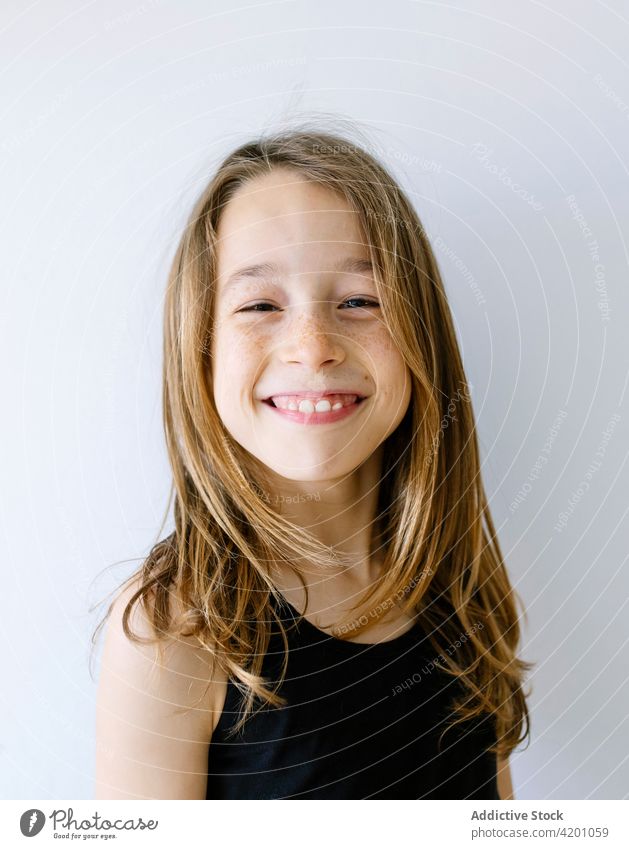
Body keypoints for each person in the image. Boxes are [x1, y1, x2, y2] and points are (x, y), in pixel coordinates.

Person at [93, 123, 532, 800]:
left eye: (359, 301)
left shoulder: (460, 590)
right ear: (201, 351)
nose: (312, 346)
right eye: (260, 305)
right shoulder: (175, 627)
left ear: (421, 335)